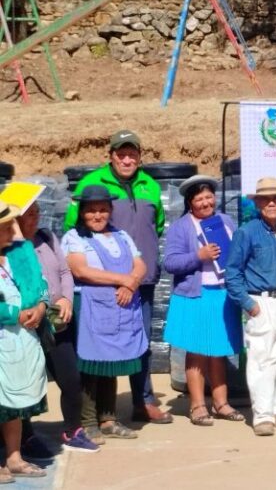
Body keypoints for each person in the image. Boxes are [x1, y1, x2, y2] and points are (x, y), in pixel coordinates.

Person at [63, 130, 171, 424]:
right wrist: (119, 279)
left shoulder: (149, 184)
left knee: (141, 342)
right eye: (120, 154)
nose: (127, 159)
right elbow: (73, 227)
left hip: (141, 283)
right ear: (110, 156)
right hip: (102, 288)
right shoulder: (92, 183)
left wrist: (133, 279)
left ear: (139, 156)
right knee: (99, 349)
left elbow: (157, 227)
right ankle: (95, 417)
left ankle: (143, 401)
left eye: (132, 153)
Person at [62, 185, 148, 444]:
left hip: (120, 305)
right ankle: (88, 422)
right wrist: (123, 279)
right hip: (91, 305)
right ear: (82, 212)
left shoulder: (121, 235)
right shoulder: (74, 238)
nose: (97, 215)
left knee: (112, 361)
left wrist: (130, 283)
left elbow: (140, 264)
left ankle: (108, 419)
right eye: (91, 211)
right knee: (91, 365)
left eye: (102, 210)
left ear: (110, 210)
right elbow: (81, 271)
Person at [17, 200, 99, 455]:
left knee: (71, 379)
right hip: (25, 326)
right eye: (28, 214)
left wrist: (64, 298)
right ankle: (25, 436)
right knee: (27, 384)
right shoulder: (9, 247)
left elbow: (64, 271)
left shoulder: (47, 237)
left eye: (37, 212)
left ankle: (72, 430)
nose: (35, 218)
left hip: (55, 320)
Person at [225, 177, 276, 437]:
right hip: (261, 301)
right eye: (266, 199)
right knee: (262, 359)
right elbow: (233, 273)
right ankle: (262, 416)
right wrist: (249, 305)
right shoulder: (246, 232)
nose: (272, 203)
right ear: (257, 203)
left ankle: (275, 409)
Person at [163, 175, 243, 427]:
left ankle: (221, 403)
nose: (206, 202)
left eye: (209, 196)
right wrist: (198, 256)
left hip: (222, 294)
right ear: (190, 202)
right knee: (196, 351)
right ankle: (197, 405)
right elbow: (170, 262)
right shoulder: (181, 227)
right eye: (199, 198)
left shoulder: (226, 221)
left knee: (218, 351)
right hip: (194, 296)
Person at [0, 201, 49, 481]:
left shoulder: (21, 253)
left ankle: (14, 457)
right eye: (6, 227)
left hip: (19, 342)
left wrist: (41, 307)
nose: (13, 231)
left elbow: (41, 283)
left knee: (13, 404)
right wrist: (14, 314)